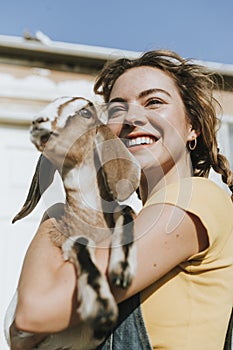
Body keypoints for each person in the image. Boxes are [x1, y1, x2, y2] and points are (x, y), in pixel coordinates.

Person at [8, 50, 233, 349]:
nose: (132, 118)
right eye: (116, 110)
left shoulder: (197, 199)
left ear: (192, 127)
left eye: (154, 102)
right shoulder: (124, 226)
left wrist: (63, 203)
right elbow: (20, 337)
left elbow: (35, 313)